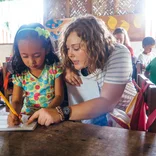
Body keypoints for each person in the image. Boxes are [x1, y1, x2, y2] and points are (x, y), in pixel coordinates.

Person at [27, 15, 136, 126]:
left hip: (125, 118)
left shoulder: (118, 53)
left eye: (76, 48)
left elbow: (107, 102)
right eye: (68, 48)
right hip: (98, 118)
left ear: (95, 45)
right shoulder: (79, 60)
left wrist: (61, 113)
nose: (70, 54)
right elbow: (59, 59)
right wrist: (67, 68)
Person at [7, 23, 64, 126]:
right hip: (27, 118)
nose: (31, 61)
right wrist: (13, 112)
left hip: (49, 117)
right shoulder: (20, 74)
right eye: (25, 56)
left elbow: (59, 96)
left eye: (37, 55)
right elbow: (16, 100)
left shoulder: (54, 69)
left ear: (46, 49)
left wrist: (46, 111)